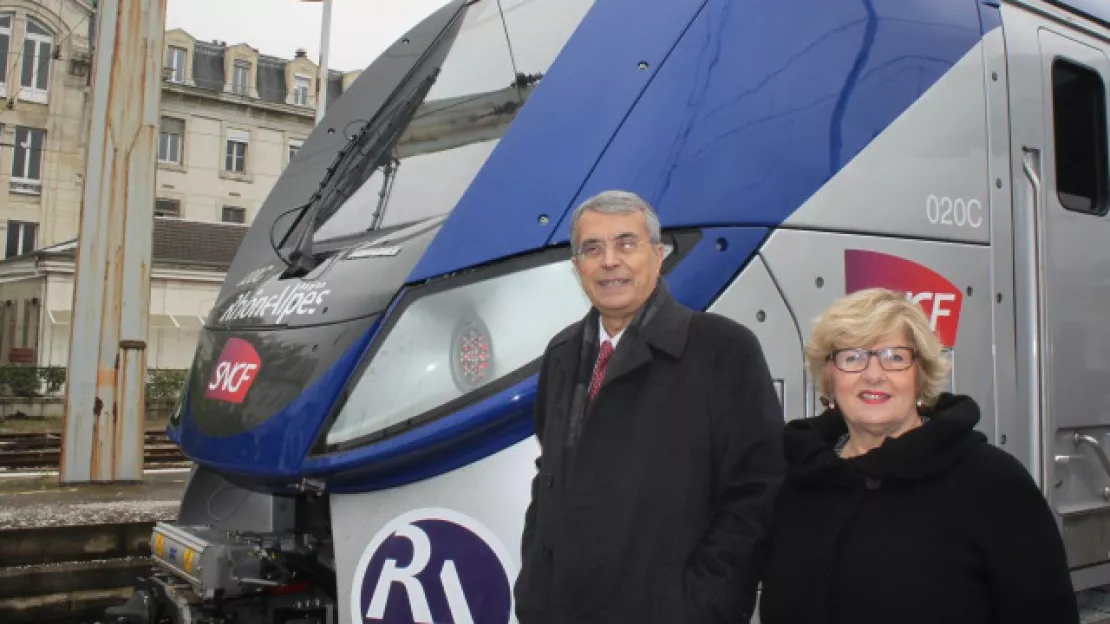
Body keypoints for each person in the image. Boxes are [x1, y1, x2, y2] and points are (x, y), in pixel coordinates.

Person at [513, 190, 785, 624]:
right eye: (592, 248)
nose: (609, 261)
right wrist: (533, 591)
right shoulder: (562, 354)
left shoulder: (723, 350)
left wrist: (702, 606)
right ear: (576, 266)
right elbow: (549, 478)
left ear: (658, 256)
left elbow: (756, 492)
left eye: (626, 243)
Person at [759, 288, 1079, 624]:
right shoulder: (797, 478)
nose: (873, 374)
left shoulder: (991, 481)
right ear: (829, 376)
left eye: (894, 357)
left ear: (920, 375)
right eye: (853, 357)